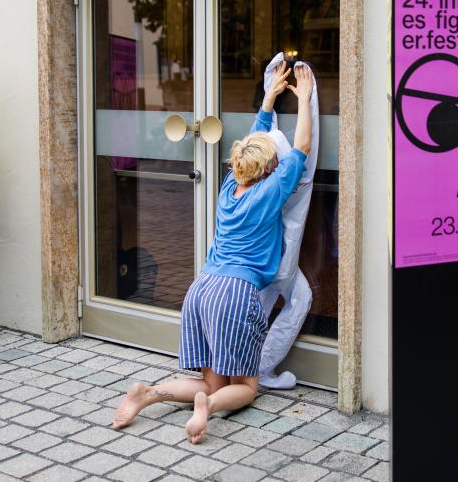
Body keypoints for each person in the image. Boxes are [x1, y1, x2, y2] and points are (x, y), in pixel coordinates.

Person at [111, 60, 314, 443]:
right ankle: (210, 406)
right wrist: (304, 97)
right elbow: (302, 146)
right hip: (235, 294)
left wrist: (269, 98)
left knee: (210, 380)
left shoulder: (230, 185)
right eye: (275, 158)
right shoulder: (270, 192)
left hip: (201, 289)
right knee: (246, 386)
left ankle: (148, 393)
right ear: (270, 168)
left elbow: (255, 140)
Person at [258, 53, 321, 389]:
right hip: (276, 260)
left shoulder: (243, 179)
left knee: (271, 303)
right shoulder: (288, 181)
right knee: (297, 299)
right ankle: (256, 369)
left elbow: (260, 132)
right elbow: (305, 146)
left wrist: (270, 91)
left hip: (257, 261)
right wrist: (306, 99)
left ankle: (246, 366)